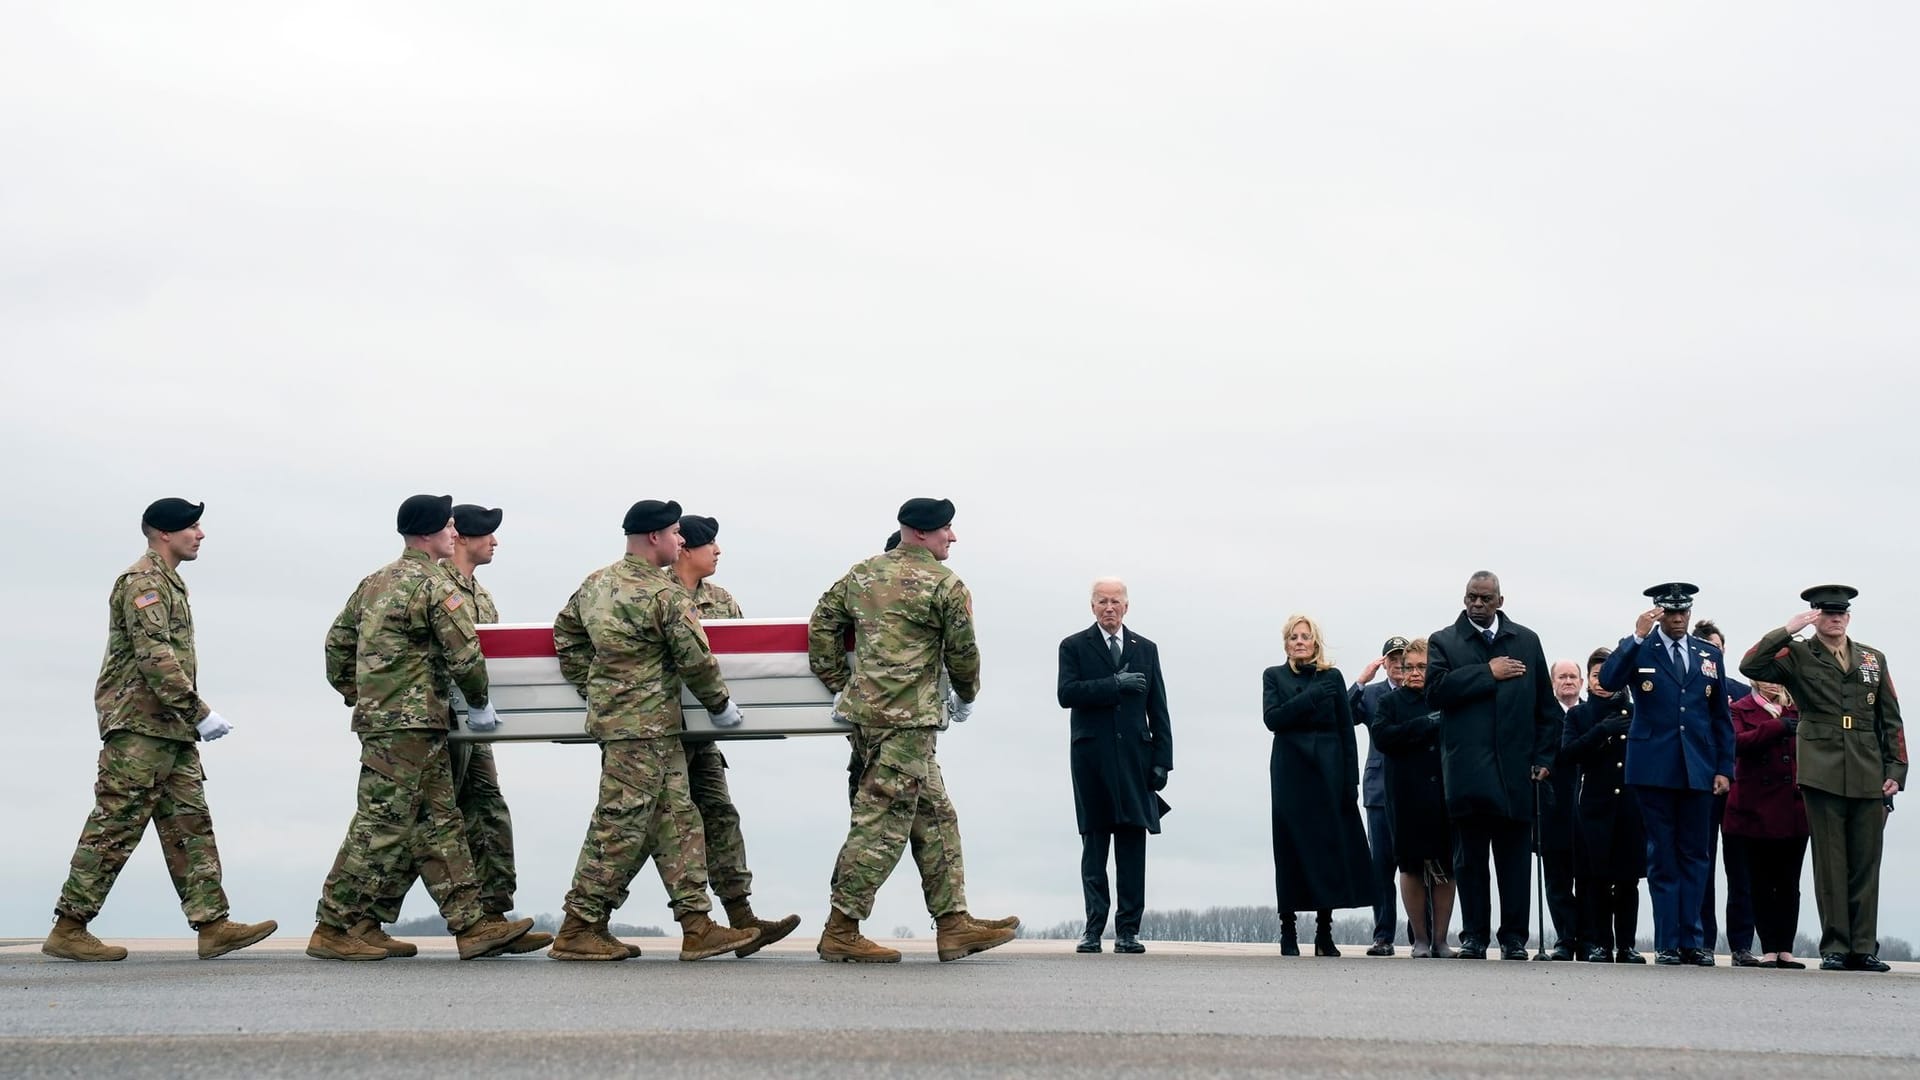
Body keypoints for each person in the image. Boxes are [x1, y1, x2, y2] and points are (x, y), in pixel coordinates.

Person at [43, 499, 277, 963]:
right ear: (164, 534)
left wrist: (188, 719)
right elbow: (155, 658)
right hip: (140, 728)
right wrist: (200, 712)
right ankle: (69, 926)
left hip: (168, 729)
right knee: (115, 824)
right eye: (192, 527)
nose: (201, 534)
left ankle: (213, 925)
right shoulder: (143, 583)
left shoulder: (169, 582)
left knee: (189, 824)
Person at [311, 494, 535, 961]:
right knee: (381, 824)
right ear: (429, 533)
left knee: (439, 823)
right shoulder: (433, 584)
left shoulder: (374, 582)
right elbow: (464, 653)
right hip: (414, 723)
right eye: (448, 527)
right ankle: (334, 926)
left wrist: (361, 692)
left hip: (391, 721)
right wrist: (478, 703)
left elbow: (337, 644)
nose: (454, 534)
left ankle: (472, 926)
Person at [546, 500, 761, 962]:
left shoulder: (596, 584)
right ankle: (578, 926)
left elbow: (565, 634)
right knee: (619, 823)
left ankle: (697, 925)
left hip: (629, 722)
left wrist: (599, 685)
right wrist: (720, 706)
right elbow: (695, 659)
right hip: (646, 725)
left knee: (677, 820)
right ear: (654, 538)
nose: (681, 542)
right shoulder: (664, 595)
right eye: (675, 534)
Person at [809, 498, 1018, 963]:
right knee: (881, 824)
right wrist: (966, 694)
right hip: (908, 724)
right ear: (922, 533)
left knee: (936, 817)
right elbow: (963, 652)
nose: (953, 536)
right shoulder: (945, 584)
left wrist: (840, 684)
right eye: (947, 529)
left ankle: (953, 923)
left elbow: (822, 621)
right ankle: (841, 927)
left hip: (868, 718)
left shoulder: (862, 574)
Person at [367, 504, 551, 958]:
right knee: (426, 821)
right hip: (431, 720)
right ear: (456, 536)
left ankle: (490, 915)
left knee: (483, 810)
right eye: (485, 532)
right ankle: (362, 917)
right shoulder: (432, 584)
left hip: (462, 723)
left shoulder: (478, 594)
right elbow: (462, 656)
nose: (494, 540)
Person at [1739, 585, 1906, 973]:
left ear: (1848, 616)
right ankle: (1836, 945)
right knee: (1830, 862)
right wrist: (1787, 629)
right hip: (1822, 766)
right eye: (1827, 612)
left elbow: (1890, 717)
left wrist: (1896, 768)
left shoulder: (1872, 658)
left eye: (1841, 613)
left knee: (1866, 862)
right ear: (1815, 615)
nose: (1835, 618)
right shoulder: (1797, 654)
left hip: (1867, 767)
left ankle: (1863, 947)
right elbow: (1751, 666)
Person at [667, 513, 801, 955]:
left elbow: (743, 661)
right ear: (685, 548)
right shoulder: (655, 592)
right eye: (710, 544)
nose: (718, 551)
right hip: (657, 732)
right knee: (651, 826)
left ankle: (741, 918)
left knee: (721, 816)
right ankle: (590, 919)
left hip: (703, 733)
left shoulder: (721, 600)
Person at [1597, 582, 1733, 967]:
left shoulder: (1707, 654)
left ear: (1689, 614)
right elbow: (1607, 682)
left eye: (1683, 613)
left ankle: (1694, 941)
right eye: (1670, 613)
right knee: (1662, 857)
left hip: (1698, 768)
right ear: (1658, 613)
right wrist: (1636, 635)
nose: (1677, 619)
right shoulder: (1642, 648)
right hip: (1654, 767)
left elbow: (1719, 717)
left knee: (1696, 855)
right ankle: (1668, 942)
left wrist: (1724, 768)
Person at [1426, 571, 1559, 961]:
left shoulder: (1527, 641)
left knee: (1515, 862)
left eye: (1486, 598)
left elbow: (1546, 711)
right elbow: (1436, 692)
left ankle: (1515, 938)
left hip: (1517, 773)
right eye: (1472, 597)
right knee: (1469, 862)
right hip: (1468, 774)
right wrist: (1488, 673)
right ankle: (1474, 936)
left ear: (1500, 600)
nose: (1478, 604)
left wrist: (1543, 759)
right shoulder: (1444, 641)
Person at [1057, 577, 1173, 955]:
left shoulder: (1146, 649)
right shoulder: (1074, 646)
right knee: (1094, 847)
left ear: (1127, 606)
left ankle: (1128, 931)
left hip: (1137, 763)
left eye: (1116, 601)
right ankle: (1092, 929)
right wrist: (1113, 683)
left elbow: (1159, 709)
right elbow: (1067, 693)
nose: (1109, 607)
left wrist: (1162, 761)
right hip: (1092, 761)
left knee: (1131, 848)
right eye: (1102, 601)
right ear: (1092, 606)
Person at [1261, 614, 1373, 957]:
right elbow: (1273, 718)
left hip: (1329, 770)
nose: (1299, 641)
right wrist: (1310, 698)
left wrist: (1350, 781)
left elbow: (1346, 731)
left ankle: (1324, 932)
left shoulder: (1332, 677)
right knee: (1290, 848)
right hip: (1290, 771)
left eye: (1305, 636)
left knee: (1328, 849)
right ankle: (1288, 929)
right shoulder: (1274, 676)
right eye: (1293, 636)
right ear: (1286, 643)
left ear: (1315, 642)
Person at [1368, 638, 1455, 958]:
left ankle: (1441, 939)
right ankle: (1419, 939)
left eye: (1422, 667)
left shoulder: (1444, 700)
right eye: (1410, 667)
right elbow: (1384, 737)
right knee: (1411, 866)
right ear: (1401, 671)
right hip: (1405, 795)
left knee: (1446, 866)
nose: (1416, 673)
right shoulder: (1391, 704)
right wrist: (1425, 725)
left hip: (1444, 793)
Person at [1561, 648, 1646, 964]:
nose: (1601, 681)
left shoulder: (1636, 711)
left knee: (1627, 880)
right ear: (1588, 680)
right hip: (1594, 805)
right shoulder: (1578, 716)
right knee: (1595, 879)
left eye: (1607, 673)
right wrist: (1601, 731)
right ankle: (1597, 942)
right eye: (1596, 674)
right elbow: (1568, 754)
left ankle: (1625, 944)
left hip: (1628, 805)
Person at [1724, 680, 1810, 968]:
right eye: (1766, 676)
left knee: (1789, 882)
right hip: (1754, 806)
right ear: (1754, 680)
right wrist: (1777, 727)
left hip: (1793, 805)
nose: (1771, 682)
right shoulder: (1739, 709)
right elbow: (1736, 743)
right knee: (1760, 881)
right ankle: (1769, 948)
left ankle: (1786, 948)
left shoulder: (1798, 708)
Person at [1691, 618, 1755, 965]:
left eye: (1717, 647)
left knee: (1740, 870)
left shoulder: (1742, 692)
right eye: (1707, 648)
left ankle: (1742, 944)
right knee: (1702, 866)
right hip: (1701, 787)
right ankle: (1703, 941)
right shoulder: (1688, 691)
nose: (1713, 653)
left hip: (1737, 790)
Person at [1348, 636, 1410, 956]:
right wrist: (1360, 681)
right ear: (1384, 662)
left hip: (1413, 792)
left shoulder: (1419, 690)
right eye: (1393, 658)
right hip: (1379, 789)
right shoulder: (1372, 694)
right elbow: (1342, 716)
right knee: (1381, 866)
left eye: (1404, 657)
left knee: (1414, 864)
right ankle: (1383, 935)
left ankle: (1421, 935)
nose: (1399, 664)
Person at [1538, 658, 1584, 960]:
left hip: (1589, 806)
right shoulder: (1543, 717)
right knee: (1557, 879)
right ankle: (1566, 938)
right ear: (1552, 683)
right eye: (1561, 677)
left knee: (1590, 878)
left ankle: (1592, 938)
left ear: (1581, 682)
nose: (1567, 681)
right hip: (1554, 808)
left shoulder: (1590, 714)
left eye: (1572, 676)